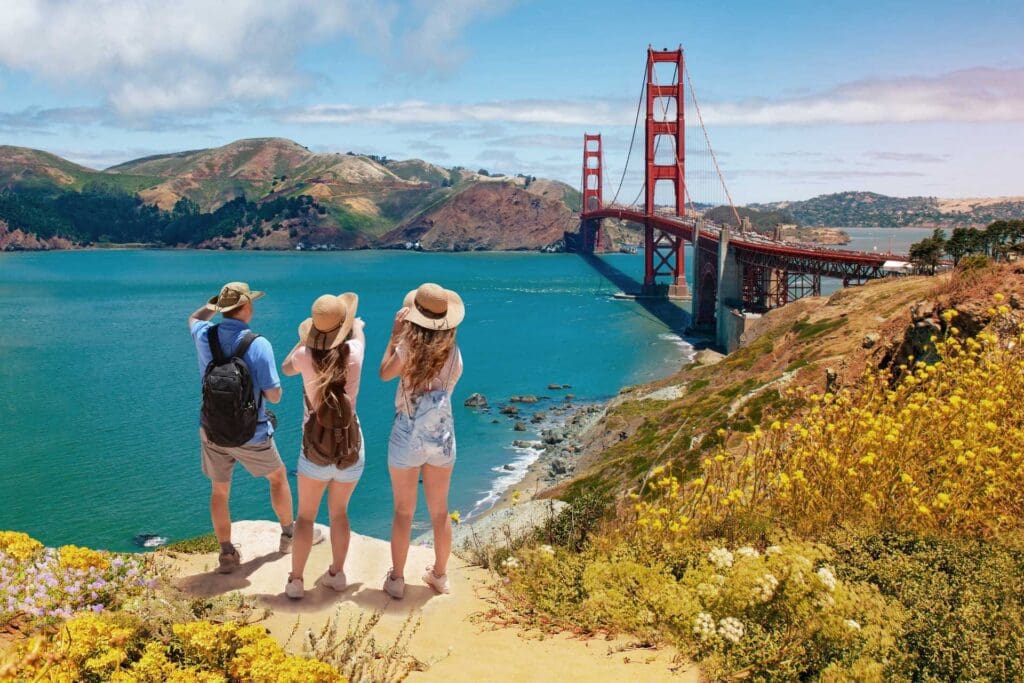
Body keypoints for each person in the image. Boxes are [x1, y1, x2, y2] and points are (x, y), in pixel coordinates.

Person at [188, 281, 295, 574]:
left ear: (222, 309)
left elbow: (194, 319)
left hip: (212, 429)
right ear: (247, 306)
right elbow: (274, 394)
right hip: (251, 432)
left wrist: (212, 306)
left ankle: (226, 553)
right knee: (278, 477)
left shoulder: (204, 335)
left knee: (220, 491)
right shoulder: (258, 343)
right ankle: (288, 536)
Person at [379, 282, 464, 598]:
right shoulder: (454, 353)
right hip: (441, 436)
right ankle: (440, 576)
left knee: (403, 511)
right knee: (440, 511)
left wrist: (394, 335)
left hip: (406, 435)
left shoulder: (407, 348)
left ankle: (397, 580)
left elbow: (385, 373)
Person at [281, 293, 366, 600]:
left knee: (305, 517)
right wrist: (353, 326)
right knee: (339, 513)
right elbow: (358, 332)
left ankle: (295, 581)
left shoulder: (304, 356)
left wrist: (304, 338)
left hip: (314, 450)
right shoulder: (355, 351)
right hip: (349, 447)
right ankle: (337, 574)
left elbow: (286, 367)